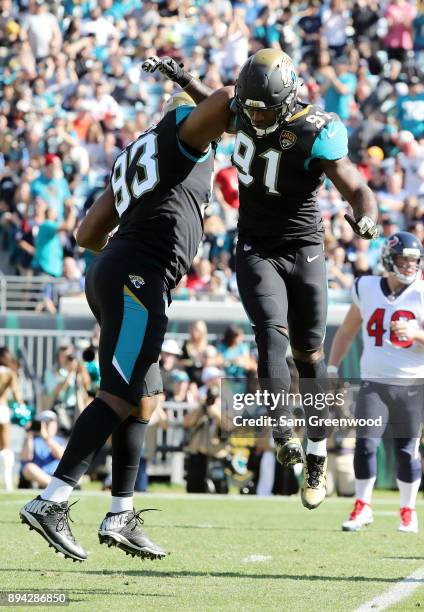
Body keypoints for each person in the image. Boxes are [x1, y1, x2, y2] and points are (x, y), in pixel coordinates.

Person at [150, 49, 378, 511]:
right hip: (256, 245)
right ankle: (281, 428)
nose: (255, 116)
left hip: (304, 247)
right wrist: (185, 77)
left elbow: (354, 185)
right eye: (250, 107)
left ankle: (316, 452)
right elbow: (219, 104)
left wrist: (366, 216)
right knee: (269, 334)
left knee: (309, 355)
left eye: (263, 108)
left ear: (289, 96)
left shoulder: (316, 129)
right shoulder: (247, 107)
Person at [19, 80, 233, 561]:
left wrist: (127, 251)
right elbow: (222, 100)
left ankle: (121, 512)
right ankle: (52, 499)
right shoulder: (183, 136)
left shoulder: (138, 156)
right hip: (139, 276)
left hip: (116, 270)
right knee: (118, 394)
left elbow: (87, 232)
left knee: (146, 399)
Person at [328, 231, 424, 533]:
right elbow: (346, 331)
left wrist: (416, 333)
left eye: (414, 261)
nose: (410, 266)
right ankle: (362, 506)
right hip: (375, 383)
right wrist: (332, 368)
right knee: (365, 445)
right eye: (403, 260)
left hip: (412, 384)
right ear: (388, 259)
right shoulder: (366, 287)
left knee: (407, 450)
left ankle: (408, 511)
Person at [0, 347, 25, 491]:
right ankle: (8, 482)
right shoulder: (9, 373)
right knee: (5, 447)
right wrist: (22, 408)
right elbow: (17, 394)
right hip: (2, 409)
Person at [20, 411, 65, 488]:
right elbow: (26, 458)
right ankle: (53, 486)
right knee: (28, 467)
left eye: (49, 423)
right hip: (37, 475)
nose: (46, 426)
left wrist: (46, 438)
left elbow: (62, 456)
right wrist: (29, 435)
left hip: (55, 475)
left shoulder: (60, 440)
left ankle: (51, 485)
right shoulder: (33, 439)